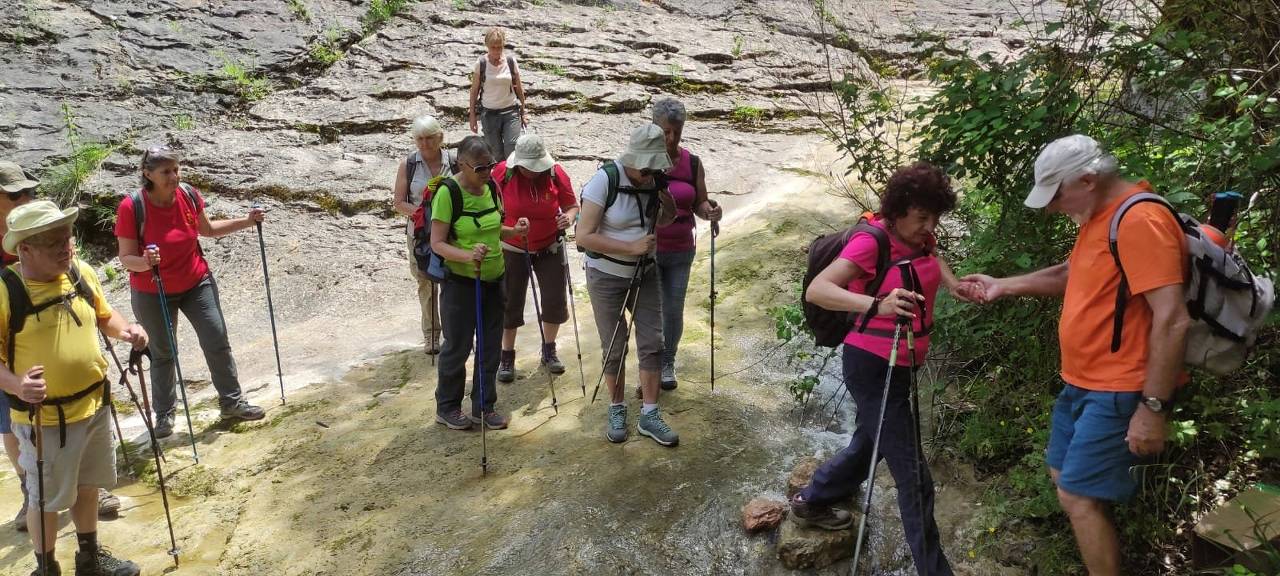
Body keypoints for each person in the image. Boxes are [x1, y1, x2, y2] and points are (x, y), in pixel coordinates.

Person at [962, 135, 1189, 575]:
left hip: (1120, 387)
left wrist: (1153, 408)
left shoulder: (1140, 220)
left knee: (1078, 496)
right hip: (1083, 381)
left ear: (1087, 179)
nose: (1050, 207)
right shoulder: (1099, 216)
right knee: (1062, 475)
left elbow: (1173, 319)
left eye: (1056, 195)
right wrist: (1003, 285)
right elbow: (1073, 273)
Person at [790, 162, 965, 576]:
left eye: (935, 217)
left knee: (870, 443)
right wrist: (877, 305)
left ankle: (812, 500)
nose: (930, 225)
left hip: (902, 364)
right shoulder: (872, 242)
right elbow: (820, 290)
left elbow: (930, 259)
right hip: (871, 365)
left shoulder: (919, 236)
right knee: (914, 476)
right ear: (900, 209)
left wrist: (957, 286)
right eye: (923, 217)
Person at [1, 200, 148, 576]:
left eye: (66, 238)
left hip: (94, 406)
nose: (65, 247)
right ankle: (46, 568)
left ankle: (89, 558)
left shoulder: (80, 272)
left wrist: (126, 329)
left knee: (88, 486)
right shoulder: (6, 292)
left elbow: (104, 315)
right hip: (44, 420)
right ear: (25, 249)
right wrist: (17, 384)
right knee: (46, 499)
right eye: (53, 242)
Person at [114, 146, 266, 439]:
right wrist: (146, 262)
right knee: (163, 352)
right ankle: (165, 415)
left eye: (176, 169)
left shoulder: (187, 194)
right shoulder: (132, 207)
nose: (174, 176)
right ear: (148, 174)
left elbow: (206, 230)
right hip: (152, 289)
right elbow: (125, 258)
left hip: (196, 282)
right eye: (166, 172)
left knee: (216, 337)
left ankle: (232, 402)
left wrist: (247, 221)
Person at [0, 162, 120, 532]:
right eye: (15, 194)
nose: (25, 198)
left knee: (82, 469)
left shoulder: (63, 249)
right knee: (11, 424)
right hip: (17, 356)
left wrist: (126, 331)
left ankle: (87, 541)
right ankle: (32, 494)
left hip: (83, 396)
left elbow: (102, 312)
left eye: (29, 191)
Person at [576, 124, 680, 447]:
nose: (649, 172)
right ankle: (617, 407)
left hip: (645, 273)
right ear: (632, 157)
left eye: (655, 166)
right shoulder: (603, 181)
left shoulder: (653, 180)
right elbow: (582, 237)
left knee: (652, 340)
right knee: (615, 344)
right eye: (646, 166)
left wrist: (663, 193)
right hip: (606, 275)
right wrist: (631, 247)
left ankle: (650, 413)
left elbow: (666, 219)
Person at [430, 135, 528, 431]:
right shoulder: (448, 193)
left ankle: (484, 406)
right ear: (462, 163)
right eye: (480, 168)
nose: (487, 172)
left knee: (490, 347)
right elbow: (437, 243)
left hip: (494, 279)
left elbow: (494, 229)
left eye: (491, 165)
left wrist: (515, 231)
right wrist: (466, 255)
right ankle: (447, 407)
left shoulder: (492, 188)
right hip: (461, 283)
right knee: (457, 347)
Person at [650, 99, 723, 390]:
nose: (670, 138)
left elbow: (699, 202)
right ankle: (651, 365)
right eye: (665, 132)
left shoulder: (691, 162)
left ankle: (667, 363)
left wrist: (710, 212)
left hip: (681, 248)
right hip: (650, 248)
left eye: (676, 133)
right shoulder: (642, 160)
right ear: (654, 127)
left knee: (673, 310)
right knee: (650, 312)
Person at [493, 134, 578, 383]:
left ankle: (549, 350)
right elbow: (486, 204)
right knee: (509, 301)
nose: (532, 171)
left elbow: (572, 205)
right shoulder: (501, 173)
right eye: (527, 166)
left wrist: (569, 218)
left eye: (535, 166)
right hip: (512, 247)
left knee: (554, 299)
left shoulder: (555, 173)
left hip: (550, 245)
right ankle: (506, 355)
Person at [392, 115, 452, 355]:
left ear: (440, 137)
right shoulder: (408, 164)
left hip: (450, 232)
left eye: (429, 138)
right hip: (419, 234)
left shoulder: (454, 161)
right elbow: (398, 202)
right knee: (425, 283)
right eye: (420, 139)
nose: (425, 144)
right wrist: (425, 213)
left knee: (450, 282)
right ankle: (431, 335)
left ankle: (452, 333)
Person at [468, 27, 527, 158]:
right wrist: (472, 116)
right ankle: (501, 178)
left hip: (511, 112)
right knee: (495, 153)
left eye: (499, 47)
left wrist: (523, 112)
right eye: (493, 47)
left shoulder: (511, 62)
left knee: (512, 149)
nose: (496, 51)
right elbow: (474, 92)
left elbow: (519, 88)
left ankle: (512, 177)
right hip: (489, 115)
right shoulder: (481, 63)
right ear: (487, 46)